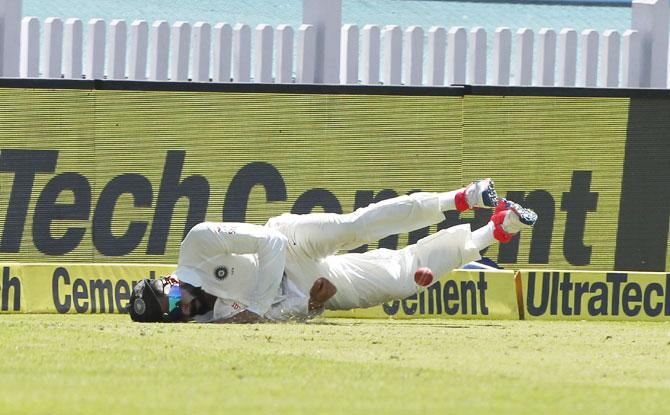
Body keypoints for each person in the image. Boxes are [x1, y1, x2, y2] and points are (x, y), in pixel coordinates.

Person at [128, 179, 537, 323]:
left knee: (352, 227)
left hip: (288, 241)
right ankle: (495, 230)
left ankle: (462, 197)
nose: (185, 309)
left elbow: (269, 244)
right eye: (175, 315)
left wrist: (256, 305)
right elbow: (272, 319)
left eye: (177, 299)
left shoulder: (198, 243)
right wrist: (309, 306)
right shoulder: (200, 322)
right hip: (300, 286)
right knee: (400, 282)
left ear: (172, 282)